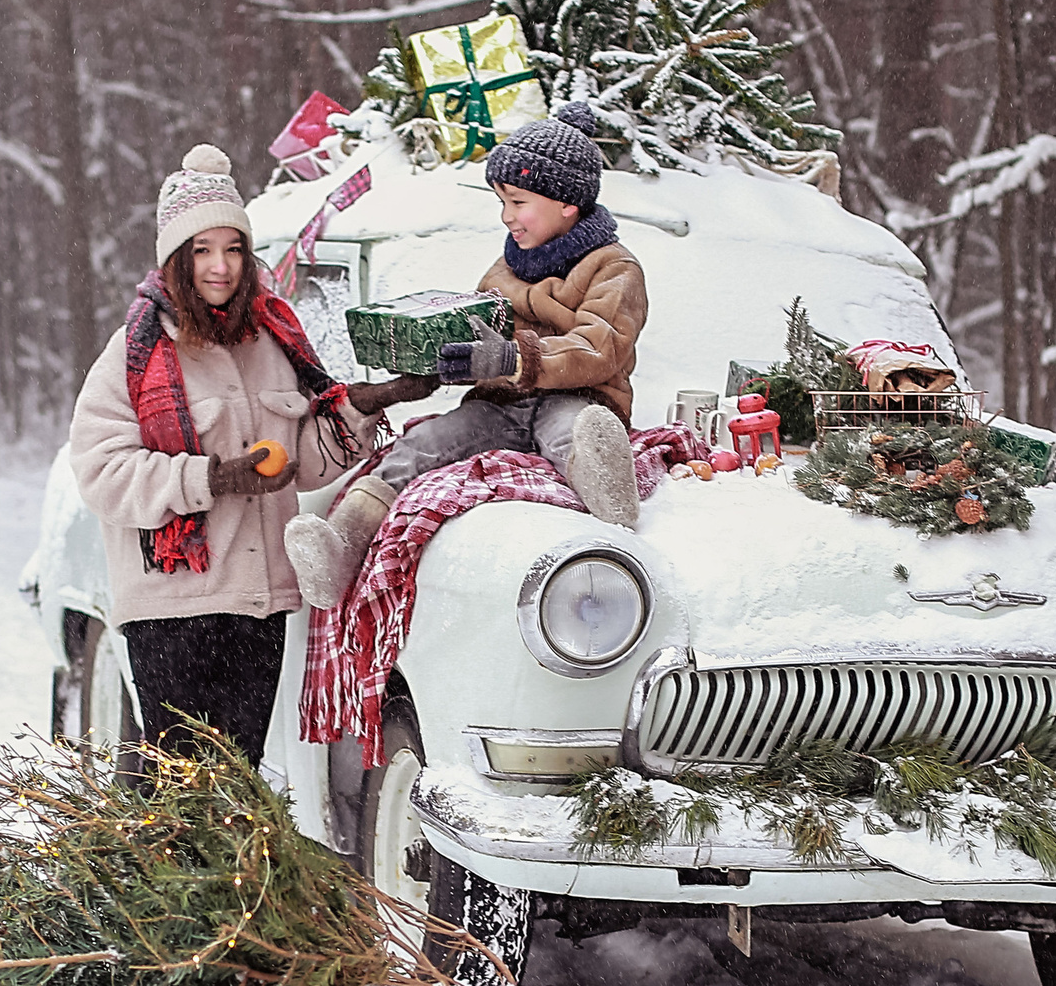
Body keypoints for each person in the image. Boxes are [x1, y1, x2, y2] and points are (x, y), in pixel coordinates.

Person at [69, 144, 437, 765]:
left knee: (237, 784)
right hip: (171, 609)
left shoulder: (273, 340)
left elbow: (311, 463)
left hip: (258, 608)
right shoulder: (135, 354)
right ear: (176, 261)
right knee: (184, 791)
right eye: (202, 251)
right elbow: (103, 473)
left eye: (233, 249)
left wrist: (365, 404)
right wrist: (213, 477)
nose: (220, 267)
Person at [284, 102, 649, 610]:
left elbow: (600, 346)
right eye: (501, 201)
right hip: (498, 405)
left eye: (517, 201)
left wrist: (512, 358)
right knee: (420, 447)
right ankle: (340, 549)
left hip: (578, 393)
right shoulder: (504, 268)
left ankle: (610, 494)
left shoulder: (613, 268)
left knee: (574, 432)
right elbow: (480, 326)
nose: (506, 216)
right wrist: (444, 353)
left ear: (566, 202)